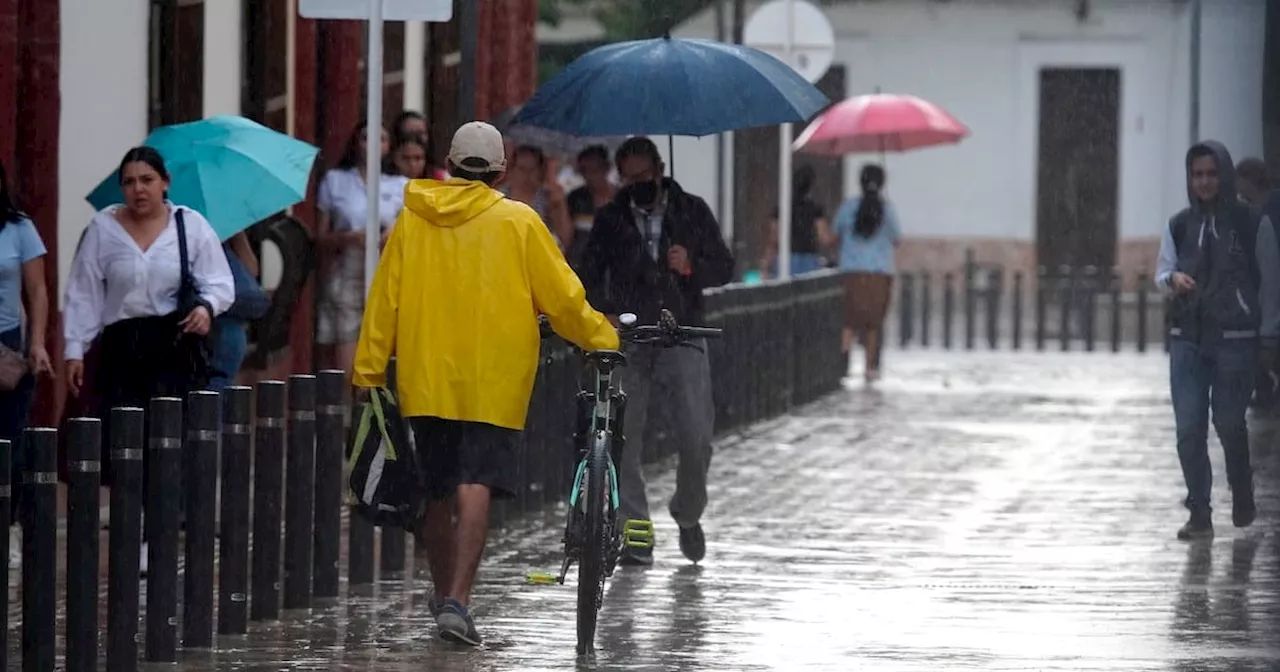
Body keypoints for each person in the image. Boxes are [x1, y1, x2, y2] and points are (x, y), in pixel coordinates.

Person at [352, 121, 618, 646]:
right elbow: (563, 298)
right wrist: (603, 338)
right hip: (495, 378)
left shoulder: (413, 219)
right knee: (477, 482)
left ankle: (443, 595)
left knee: (435, 488)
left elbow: (384, 300)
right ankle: (457, 600)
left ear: (448, 165)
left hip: (426, 374)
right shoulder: (519, 222)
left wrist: (368, 369)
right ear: (499, 171)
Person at [63, 146, 234, 568]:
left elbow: (220, 282)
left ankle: (158, 536)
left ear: (165, 183)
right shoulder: (103, 229)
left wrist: (205, 308)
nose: (138, 190)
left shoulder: (189, 226)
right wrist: (74, 349)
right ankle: (132, 532)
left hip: (173, 346)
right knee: (124, 444)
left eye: (147, 180)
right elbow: (83, 292)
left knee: (167, 444)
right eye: (129, 182)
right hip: (122, 347)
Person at [579, 136, 734, 567]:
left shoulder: (691, 211)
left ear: (660, 169)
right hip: (631, 336)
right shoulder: (611, 218)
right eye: (627, 179)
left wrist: (690, 267)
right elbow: (587, 273)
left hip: (682, 331)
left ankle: (688, 511)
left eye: (643, 177)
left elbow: (724, 264)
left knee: (696, 435)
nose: (636, 185)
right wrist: (603, 312)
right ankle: (635, 531)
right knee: (624, 438)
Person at [1155, 140, 1280, 540]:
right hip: (1187, 338)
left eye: (1211, 173)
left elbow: (1270, 281)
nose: (1205, 181)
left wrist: (1268, 336)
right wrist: (1172, 280)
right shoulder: (1179, 224)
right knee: (1188, 429)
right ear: (1189, 178)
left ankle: (1241, 488)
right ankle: (1199, 511)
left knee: (1228, 422)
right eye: (1197, 174)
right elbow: (1163, 270)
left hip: (1236, 338)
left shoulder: (1249, 222)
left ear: (1223, 175)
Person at [315, 121, 409, 379]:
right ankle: (350, 404)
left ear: (389, 146)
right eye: (367, 138)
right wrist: (348, 237)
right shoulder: (335, 181)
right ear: (356, 143)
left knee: (384, 330)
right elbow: (320, 237)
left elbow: (409, 230)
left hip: (386, 265)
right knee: (346, 333)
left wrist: (390, 234)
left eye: (381, 138)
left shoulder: (401, 185)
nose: (374, 145)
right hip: (347, 266)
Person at [0, 162, 52, 568]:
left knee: (9, 443)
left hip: (7, 348)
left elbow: (37, 291)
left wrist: (36, 343)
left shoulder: (19, 229)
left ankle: (10, 527)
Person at [832, 164, 902, 382]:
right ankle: (869, 368)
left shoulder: (848, 207)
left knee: (849, 322)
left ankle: (841, 365)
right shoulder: (887, 210)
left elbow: (836, 234)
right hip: (879, 274)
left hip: (851, 273)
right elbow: (897, 239)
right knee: (873, 325)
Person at [761, 165, 834, 276]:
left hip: (786, 258)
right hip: (808, 257)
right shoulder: (814, 209)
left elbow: (774, 238)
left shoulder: (782, 208)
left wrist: (765, 263)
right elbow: (824, 237)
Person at [501, 144, 573, 249]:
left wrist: (560, 205)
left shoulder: (547, 198)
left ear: (540, 171)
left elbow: (565, 237)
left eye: (532, 170)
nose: (527, 175)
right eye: (522, 169)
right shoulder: (500, 196)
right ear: (513, 169)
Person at [565, 145, 616, 269]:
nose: (589, 176)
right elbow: (567, 237)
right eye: (584, 171)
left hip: (613, 269)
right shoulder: (575, 198)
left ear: (606, 168)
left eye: (594, 170)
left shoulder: (621, 199)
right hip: (580, 267)